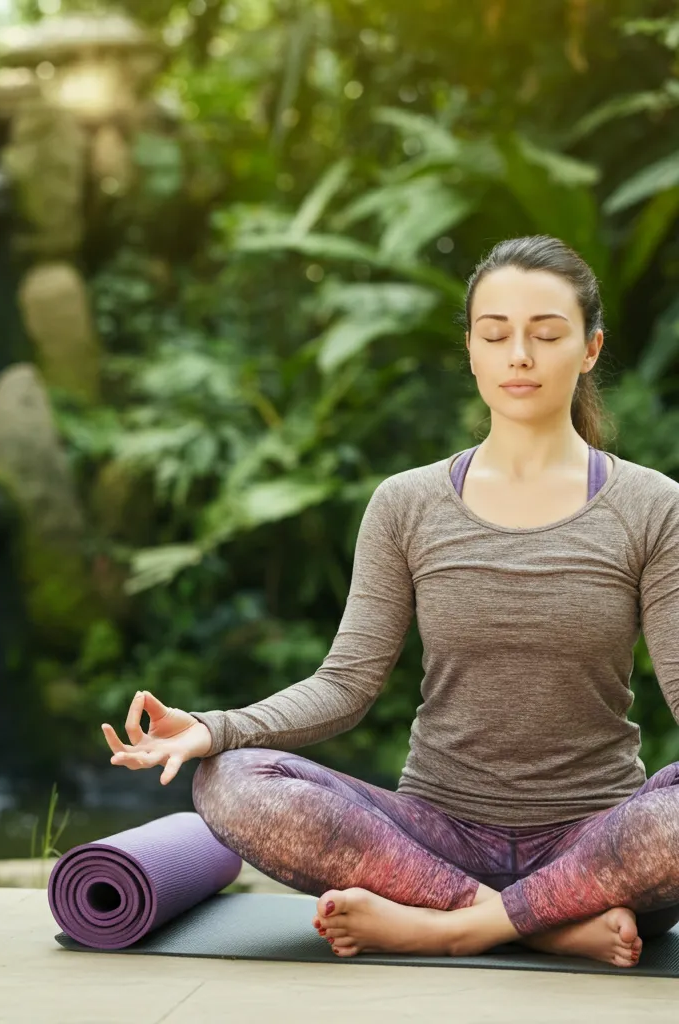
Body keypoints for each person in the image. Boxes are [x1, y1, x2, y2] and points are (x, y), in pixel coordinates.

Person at [101, 235, 679, 969]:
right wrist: (213, 730)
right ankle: (529, 922)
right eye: (496, 335)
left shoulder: (654, 507)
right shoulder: (405, 504)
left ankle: (453, 929)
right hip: (434, 840)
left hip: (600, 845)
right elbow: (346, 686)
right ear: (470, 349)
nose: (519, 357)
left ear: (591, 349)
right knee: (232, 779)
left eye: (547, 334)